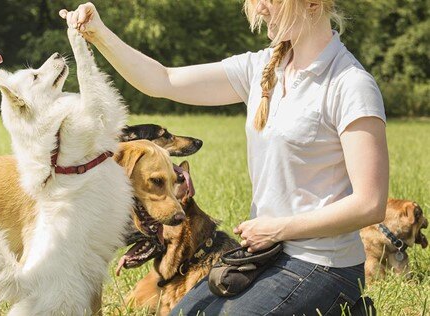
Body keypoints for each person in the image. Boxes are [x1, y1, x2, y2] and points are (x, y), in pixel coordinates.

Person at [59, 0, 388, 315]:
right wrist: (97, 31)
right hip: (263, 254)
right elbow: (163, 80)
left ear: (312, 4)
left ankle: (341, 306)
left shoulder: (351, 85)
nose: (259, 7)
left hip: (322, 265)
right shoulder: (261, 68)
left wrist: (279, 229)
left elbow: (369, 204)